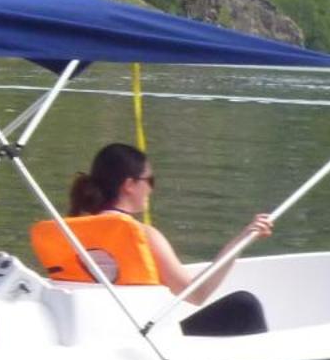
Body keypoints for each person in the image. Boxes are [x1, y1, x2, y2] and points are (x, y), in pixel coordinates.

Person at [35, 142, 272, 336]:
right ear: (129, 185)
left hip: (97, 335)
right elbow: (196, 295)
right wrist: (242, 239)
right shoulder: (144, 236)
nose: (151, 189)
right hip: (145, 342)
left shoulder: (72, 234)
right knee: (244, 305)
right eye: (150, 181)